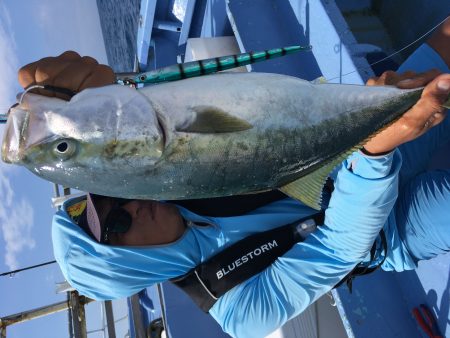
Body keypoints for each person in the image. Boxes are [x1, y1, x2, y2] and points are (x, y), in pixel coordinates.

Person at [17, 19, 450, 338]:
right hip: (390, 229)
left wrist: (105, 96)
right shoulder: (238, 310)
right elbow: (339, 247)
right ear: (129, 266)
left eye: (112, 201)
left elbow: (180, 112)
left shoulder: (170, 178)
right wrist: (380, 143)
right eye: (116, 227)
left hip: (348, 151)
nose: (129, 208)